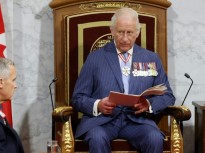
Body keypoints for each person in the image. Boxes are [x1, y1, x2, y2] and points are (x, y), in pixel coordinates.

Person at [71, 8, 175, 153]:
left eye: (130, 32)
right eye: (120, 32)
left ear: (137, 32)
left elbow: (168, 95)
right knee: (96, 137)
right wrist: (98, 104)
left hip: (136, 121)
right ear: (112, 31)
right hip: (102, 122)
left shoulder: (151, 58)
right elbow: (77, 98)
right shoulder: (95, 58)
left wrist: (149, 104)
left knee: (154, 138)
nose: (125, 38)